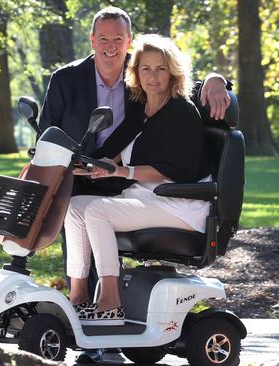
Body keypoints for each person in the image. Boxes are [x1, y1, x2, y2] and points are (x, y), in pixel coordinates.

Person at [65, 33, 213, 326]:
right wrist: (83, 166)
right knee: (76, 206)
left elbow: (176, 169)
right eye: (146, 68)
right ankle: (78, 297)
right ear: (136, 73)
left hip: (180, 204)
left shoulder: (181, 112)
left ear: (173, 72)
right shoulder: (142, 109)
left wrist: (123, 172)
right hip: (147, 198)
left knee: (97, 211)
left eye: (160, 69)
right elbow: (113, 151)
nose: (153, 76)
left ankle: (109, 302)